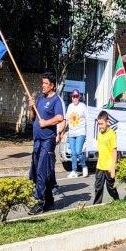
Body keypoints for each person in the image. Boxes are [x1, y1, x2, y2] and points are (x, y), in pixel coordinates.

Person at [28, 72, 64, 215]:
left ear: (52, 85)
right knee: (37, 171)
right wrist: (31, 107)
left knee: (42, 171)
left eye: (45, 83)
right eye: (42, 83)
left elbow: (60, 117)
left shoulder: (56, 100)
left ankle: (39, 202)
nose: (43, 86)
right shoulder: (40, 99)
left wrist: (46, 123)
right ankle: (49, 202)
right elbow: (32, 118)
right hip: (37, 141)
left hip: (47, 141)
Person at [58, 89, 89, 178]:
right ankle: (74, 170)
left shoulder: (83, 106)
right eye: (73, 96)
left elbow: (87, 118)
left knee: (79, 151)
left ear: (79, 97)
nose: (75, 98)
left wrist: (87, 128)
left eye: (76, 96)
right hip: (72, 132)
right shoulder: (70, 107)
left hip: (80, 132)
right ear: (71, 97)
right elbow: (67, 120)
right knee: (73, 153)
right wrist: (62, 131)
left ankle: (84, 166)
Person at [94, 110, 120, 204]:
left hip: (109, 167)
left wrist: (113, 167)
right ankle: (95, 206)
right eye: (99, 124)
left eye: (102, 124)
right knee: (98, 188)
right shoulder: (100, 134)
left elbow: (114, 151)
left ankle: (117, 202)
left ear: (107, 122)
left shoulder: (111, 134)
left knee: (111, 188)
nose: (100, 126)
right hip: (100, 166)